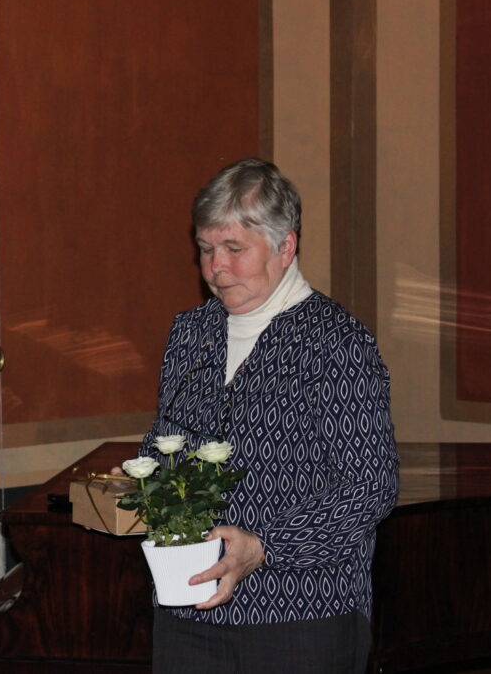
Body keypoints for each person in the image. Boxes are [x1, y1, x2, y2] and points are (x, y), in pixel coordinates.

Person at [140, 158, 399, 673]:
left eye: (234, 249)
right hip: (188, 611)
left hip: (300, 617)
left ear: (285, 247)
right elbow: (166, 445)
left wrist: (264, 547)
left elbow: (371, 487)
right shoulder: (190, 333)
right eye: (206, 249)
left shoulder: (336, 343)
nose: (216, 268)